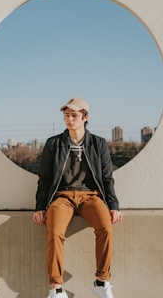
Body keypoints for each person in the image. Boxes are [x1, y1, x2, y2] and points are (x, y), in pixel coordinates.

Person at [33, 98, 123, 298]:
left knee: (106, 228)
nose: (69, 119)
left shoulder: (98, 144)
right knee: (54, 233)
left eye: (74, 115)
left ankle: (101, 282)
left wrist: (113, 205)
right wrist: (40, 207)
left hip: (91, 196)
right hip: (62, 197)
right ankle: (56, 288)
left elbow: (107, 177)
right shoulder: (54, 143)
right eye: (66, 115)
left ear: (85, 117)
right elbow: (45, 179)